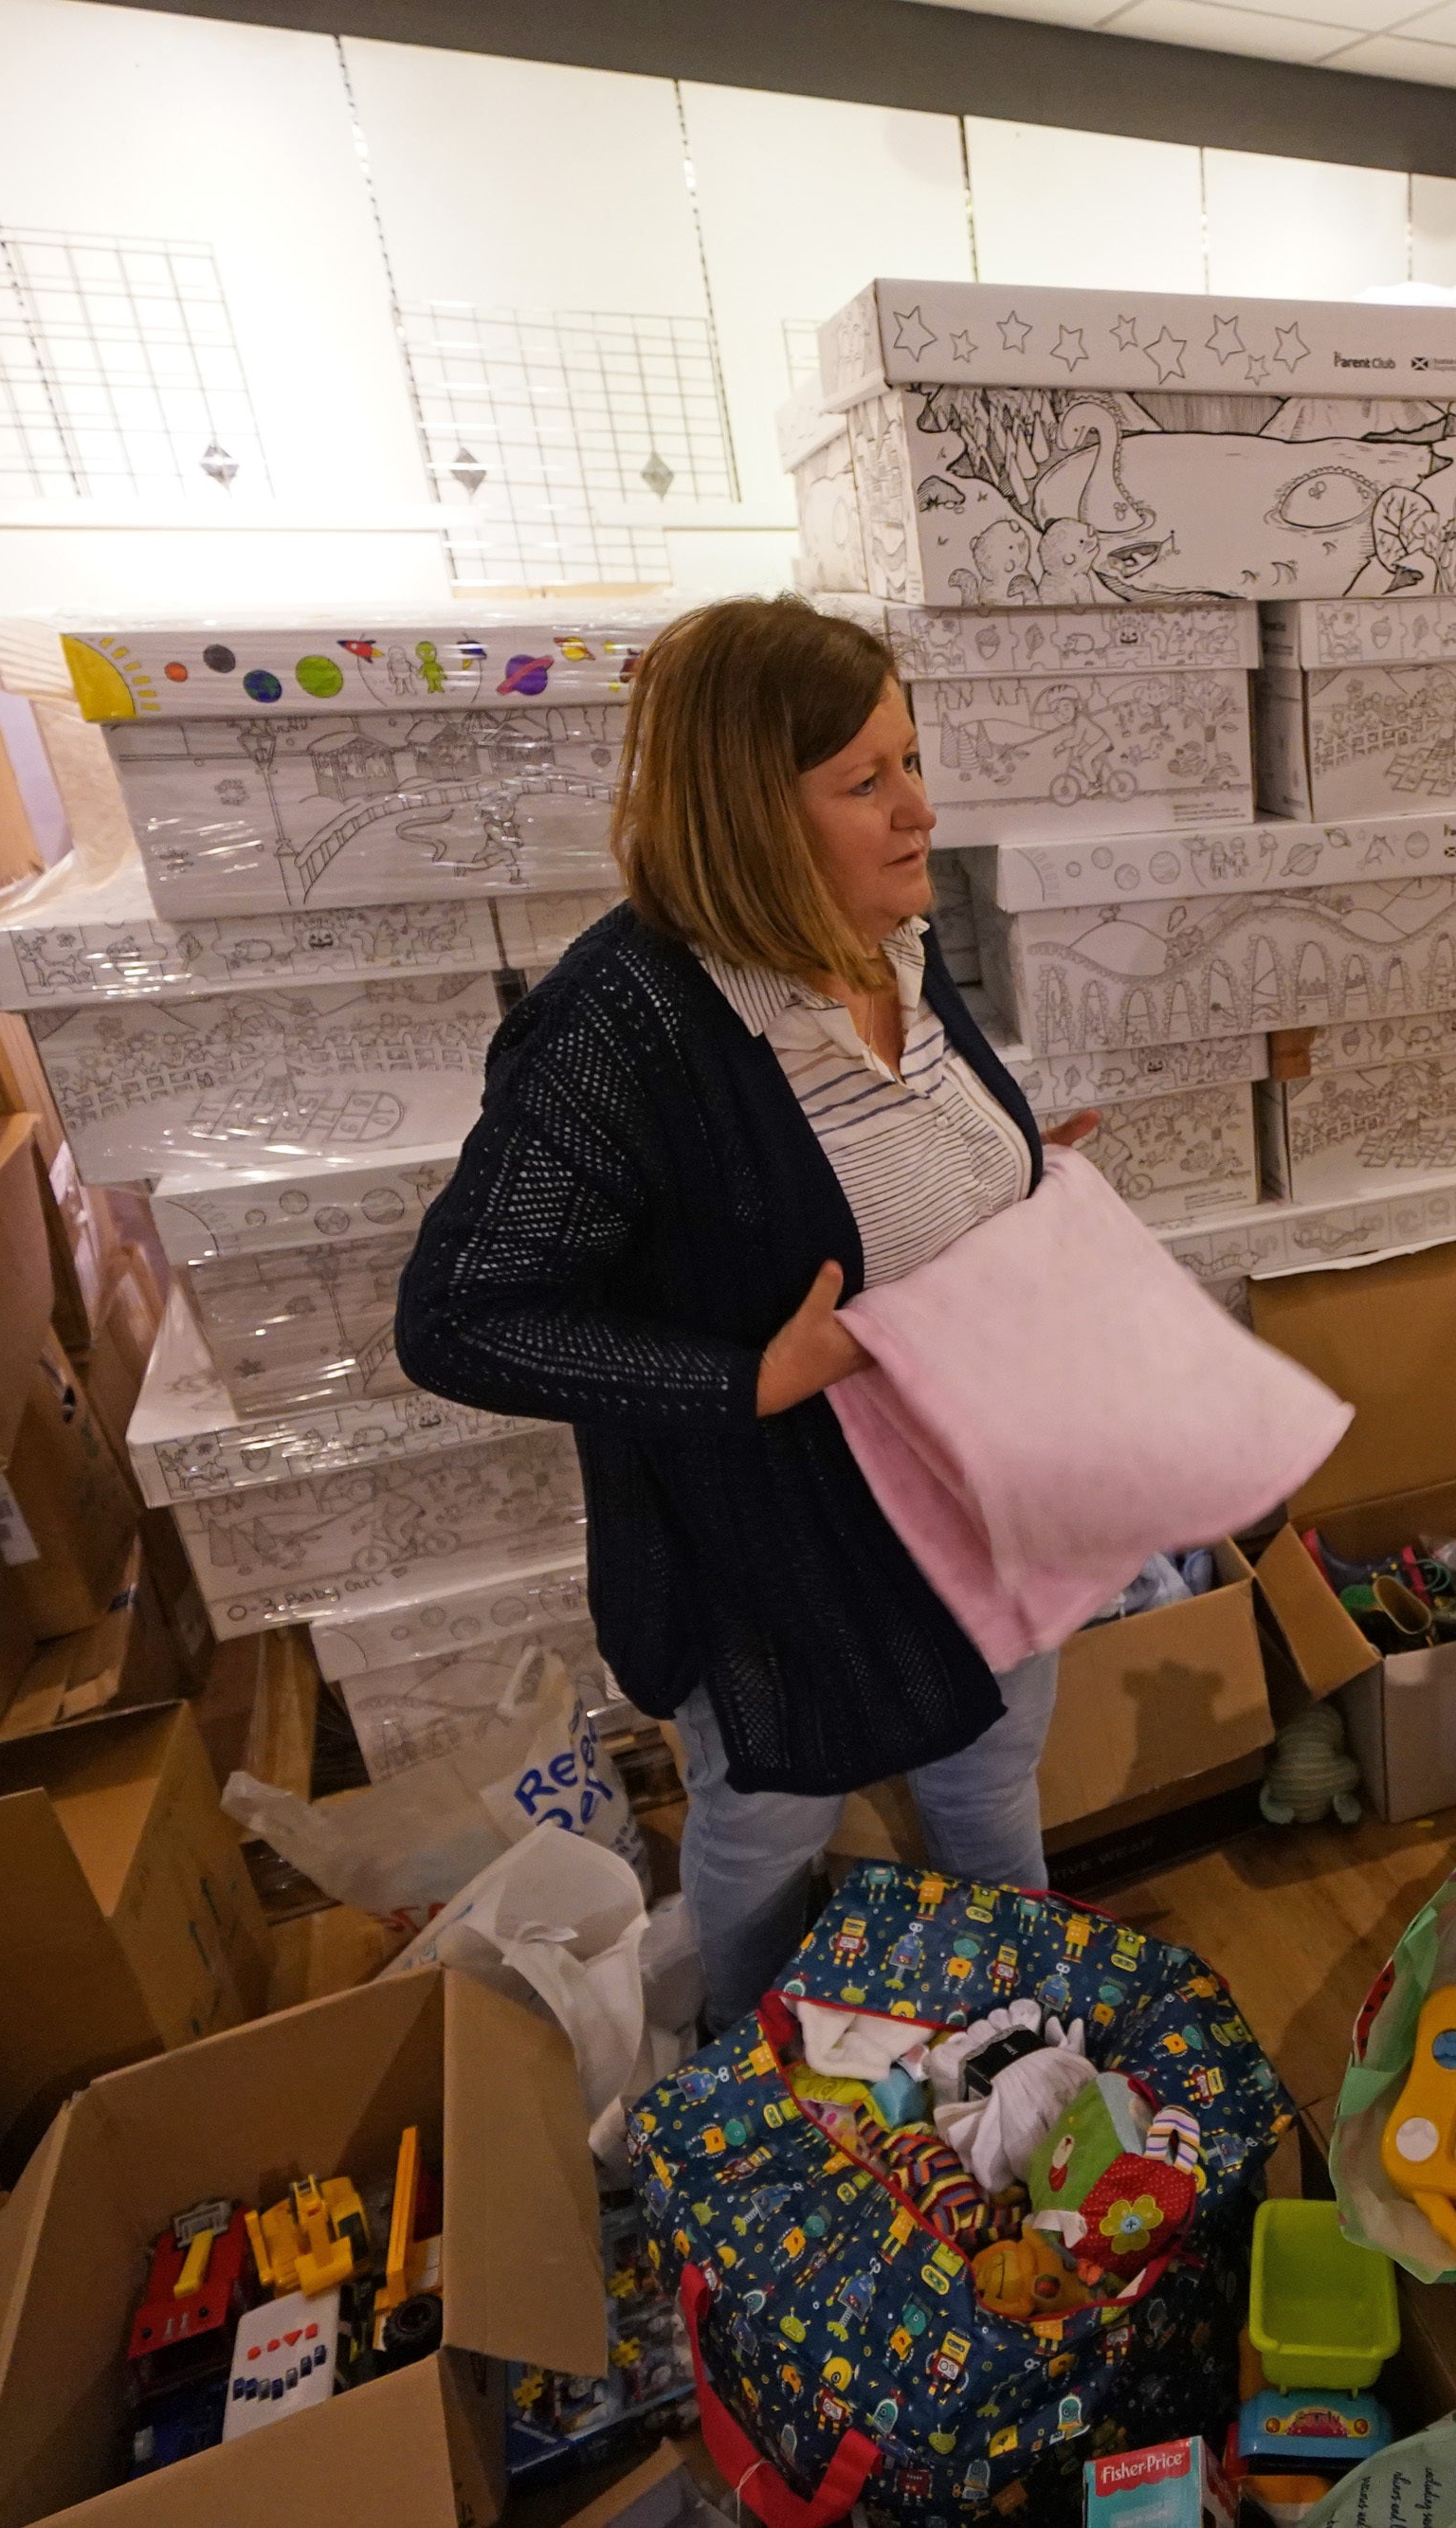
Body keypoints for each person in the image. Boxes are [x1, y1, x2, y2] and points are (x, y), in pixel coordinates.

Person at [395, 595, 1099, 2025]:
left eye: (910, 759)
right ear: (745, 816)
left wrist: (1008, 1183)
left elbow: (873, 1153)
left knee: (988, 1763)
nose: (920, 811)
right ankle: (770, 2090)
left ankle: (1019, 2026)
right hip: (780, 1537)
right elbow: (460, 1315)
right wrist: (745, 1381)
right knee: (776, 1814)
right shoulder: (624, 1023)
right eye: (864, 782)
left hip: (974, 1474)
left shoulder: (884, 934)